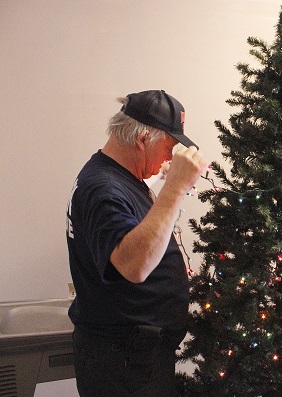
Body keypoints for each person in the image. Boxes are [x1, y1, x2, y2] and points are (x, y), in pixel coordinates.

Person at [66, 90, 208, 396]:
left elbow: (127, 220)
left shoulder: (113, 175)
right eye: (168, 149)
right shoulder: (103, 188)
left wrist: (158, 178)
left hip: (133, 355)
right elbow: (134, 266)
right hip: (125, 362)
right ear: (142, 139)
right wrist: (176, 187)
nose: (170, 159)